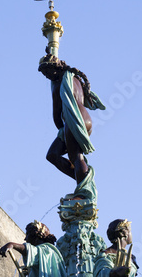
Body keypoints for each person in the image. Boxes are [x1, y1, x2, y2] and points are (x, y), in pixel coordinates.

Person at [38, 52, 105, 185]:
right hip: (86, 119)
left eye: (47, 72)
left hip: (74, 119)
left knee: (75, 156)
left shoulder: (58, 83)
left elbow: (56, 113)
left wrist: (61, 129)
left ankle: (84, 187)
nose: (47, 76)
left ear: (55, 68)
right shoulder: (74, 77)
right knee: (54, 155)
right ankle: (82, 181)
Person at [0, 220, 67, 277]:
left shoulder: (47, 250)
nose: (25, 239)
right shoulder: (47, 253)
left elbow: (32, 252)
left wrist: (12, 244)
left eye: (27, 234)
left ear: (36, 235)